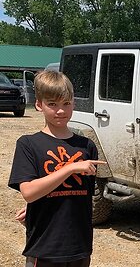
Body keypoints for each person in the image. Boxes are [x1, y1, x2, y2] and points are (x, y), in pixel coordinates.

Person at [8, 70, 106, 267]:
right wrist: (70, 168)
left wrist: (39, 205)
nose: (60, 110)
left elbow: (77, 196)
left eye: (66, 103)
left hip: (80, 246)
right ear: (38, 105)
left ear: (73, 104)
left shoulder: (87, 146)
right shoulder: (28, 144)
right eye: (52, 104)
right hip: (45, 248)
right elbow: (28, 192)